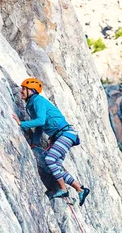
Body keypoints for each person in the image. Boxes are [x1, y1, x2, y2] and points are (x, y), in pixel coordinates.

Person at [12, 77, 90, 206]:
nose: (21, 91)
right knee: (56, 167)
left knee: (49, 160)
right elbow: (40, 127)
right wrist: (34, 142)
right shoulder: (32, 103)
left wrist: (21, 123)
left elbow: (41, 121)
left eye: (24, 88)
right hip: (63, 136)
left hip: (65, 134)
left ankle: (64, 189)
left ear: (31, 91)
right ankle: (80, 189)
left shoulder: (37, 101)